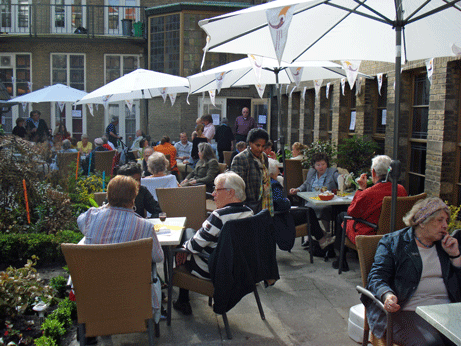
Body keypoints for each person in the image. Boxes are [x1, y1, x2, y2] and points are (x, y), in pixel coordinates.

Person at [363, 197, 461, 346]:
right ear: (422, 221)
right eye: (440, 220)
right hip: (407, 310)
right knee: (431, 344)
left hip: (445, 310)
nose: (445, 226)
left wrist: (455, 256)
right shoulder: (393, 243)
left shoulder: (446, 245)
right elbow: (377, 277)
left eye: (446, 221)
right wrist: (387, 295)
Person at [77, 175, 164, 320]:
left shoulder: (91, 217)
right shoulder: (145, 227)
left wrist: (105, 207)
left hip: (97, 292)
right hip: (133, 293)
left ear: (108, 196)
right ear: (133, 198)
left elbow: (80, 223)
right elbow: (158, 257)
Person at [173, 172, 254, 315]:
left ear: (231, 193)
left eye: (217, 190)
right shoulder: (249, 213)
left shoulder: (219, 216)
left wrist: (181, 248)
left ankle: (183, 300)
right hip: (239, 269)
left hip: (213, 270)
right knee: (189, 234)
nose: (213, 194)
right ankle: (183, 299)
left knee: (184, 241)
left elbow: (194, 247)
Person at [333, 154, 408, 271]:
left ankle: (340, 260)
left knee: (342, 216)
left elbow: (352, 212)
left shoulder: (369, 193)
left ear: (373, 172)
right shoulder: (400, 189)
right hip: (395, 232)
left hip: (371, 233)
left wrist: (360, 190)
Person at [289, 152, 339, 242]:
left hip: (325, 202)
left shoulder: (332, 171)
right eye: (318, 165)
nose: (321, 167)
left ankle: (322, 234)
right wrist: (297, 189)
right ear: (314, 166)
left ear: (327, 164)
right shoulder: (311, 172)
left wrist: (342, 178)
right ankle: (321, 234)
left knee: (321, 210)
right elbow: (305, 184)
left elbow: (338, 178)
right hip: (311, 201)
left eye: (323, 164)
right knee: (307, 211)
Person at [231, 128, 272, 214]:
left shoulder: (264, 157)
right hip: (248, 206)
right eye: (257, 145)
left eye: (263, 146)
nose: (260, 149)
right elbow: (238, 187)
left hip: (264, 202)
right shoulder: (240, 158)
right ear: (250, 143)